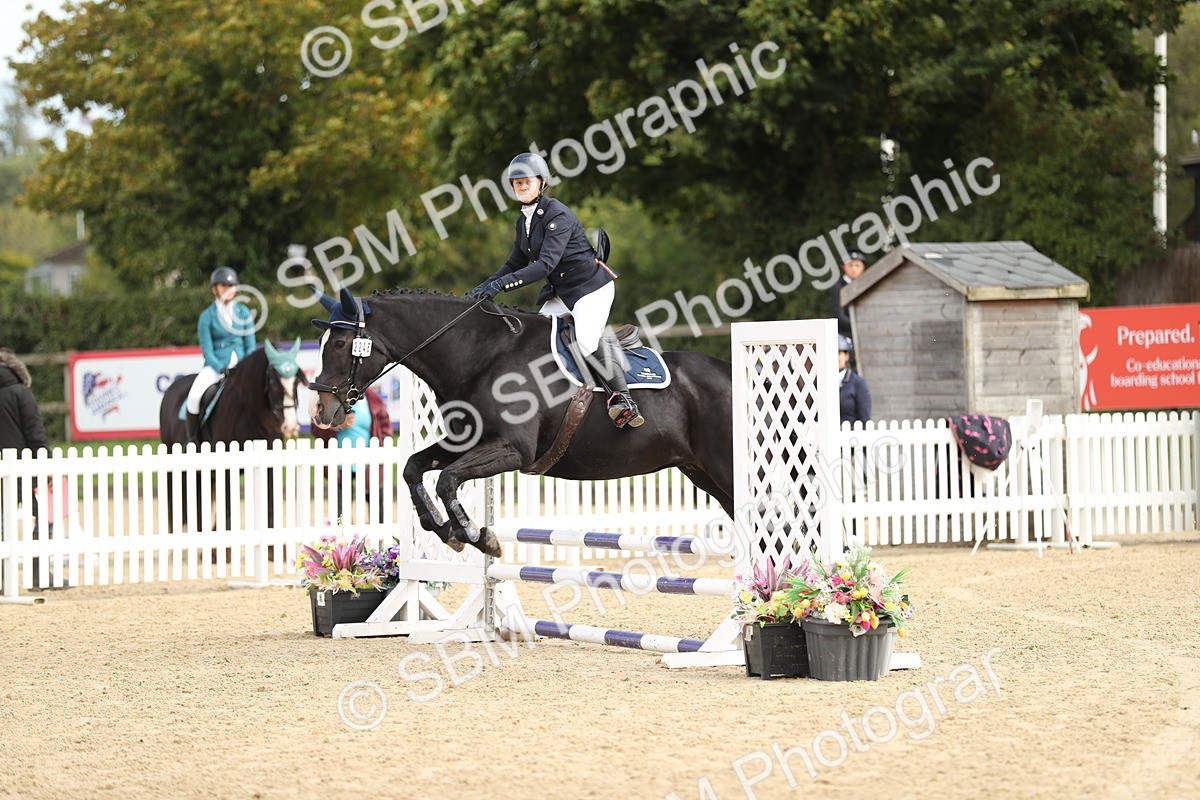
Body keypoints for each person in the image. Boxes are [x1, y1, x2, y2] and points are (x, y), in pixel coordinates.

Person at [467, 152, 643, 429]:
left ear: (542, 182)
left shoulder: (557, 214)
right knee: (536, 338)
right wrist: (484, 286)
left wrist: (502, 285)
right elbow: (515, 262)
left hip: (590, 290)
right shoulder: (523, 220)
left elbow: (544, 265)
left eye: (527, 181)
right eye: (516, 183)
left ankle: (624, 399)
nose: (521, 187)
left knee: (585, 339)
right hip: (562, 293)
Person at [185, 267, 256, 446]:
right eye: (223, 286)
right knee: (194, 397)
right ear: (214, 289)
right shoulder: (206, 317)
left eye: (231, 286)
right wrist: (219, 368)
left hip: (242, 365)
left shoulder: (244, 313)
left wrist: (245, 367)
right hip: (216, 366)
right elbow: (207, 350)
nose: (228, 290)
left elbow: (250, 345)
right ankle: (192, 439)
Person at [0, 349, 50, 584]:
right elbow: (35, 434)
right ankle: (38, 575)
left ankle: (2, 579)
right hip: (22, 471)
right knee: (41, 519)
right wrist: (46, 463)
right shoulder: (21, 393)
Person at [312, 388, 392, 521]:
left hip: (369, 465)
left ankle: (381, 540)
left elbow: (385, 427)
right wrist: (337, 425)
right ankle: (341, 540)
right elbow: (317, 430)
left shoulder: (372, 398)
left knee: (377, 508)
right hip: (339, 466)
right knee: (341, 512)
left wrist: (380, 447)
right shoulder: (330, 398)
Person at [829, 250, 866, 341]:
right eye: (850, 265)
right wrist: (856, 325)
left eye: (857, 265)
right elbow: (838, 314)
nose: (854, 269)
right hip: (844, 334)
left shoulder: (865, 285)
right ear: (843, 266)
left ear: (863, 267)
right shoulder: (838, 287)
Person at [838, 335, 871, 425]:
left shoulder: (858, 383)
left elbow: (865, 419)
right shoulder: (819, 383)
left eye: (838, 353)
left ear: (846, 356)